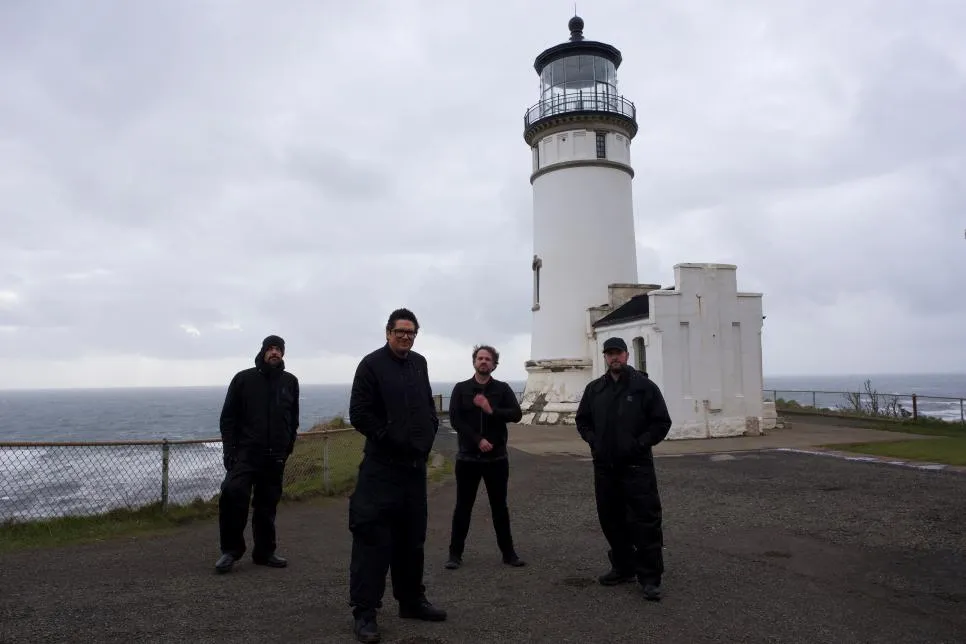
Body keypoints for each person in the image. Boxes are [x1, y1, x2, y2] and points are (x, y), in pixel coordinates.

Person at [347, 308, 447, 643]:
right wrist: (393, 440)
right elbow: (360, 414)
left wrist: (426, 437)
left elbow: (427, 410)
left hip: (413, 471)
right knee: (372, 541)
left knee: (411, 539)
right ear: (388, 332)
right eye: (400, 331)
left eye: (411, 332)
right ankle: (364, 613)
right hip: (381, 469)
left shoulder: (419, 363)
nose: (406, 336)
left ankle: (411, 601)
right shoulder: (371, 365)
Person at [574, 336, 672, 601]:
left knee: (645, 522)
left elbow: (661, 422)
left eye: (618, 353)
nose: (614, 358)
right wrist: (594, 442)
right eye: (609, 354)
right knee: (611, 520)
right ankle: (623, 567)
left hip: (636, 467)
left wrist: (640, 444)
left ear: (627, 355)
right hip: (605, 468)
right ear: (604, 357)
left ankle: (650, 578)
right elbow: (582, 421)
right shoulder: (595, 389)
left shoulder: (644, 387)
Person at [215, 334, 300, 574]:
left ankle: (265, 552)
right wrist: (229, 451)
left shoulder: (290, 382)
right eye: (271, 348)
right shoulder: (243, 379)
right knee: (233, 495)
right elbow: (228, 419)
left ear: (283, 353)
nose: (275, 352)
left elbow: (293, 419)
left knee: (267, 505)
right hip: (245, 454)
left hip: (275, 457)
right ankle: (230, 551)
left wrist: (288, 446)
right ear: (263, 351)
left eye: (279, 349)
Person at [444, 344, 525, 570]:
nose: (483, 362)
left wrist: (492, 410)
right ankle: (455, 554)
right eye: (480, 358)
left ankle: (509, 554)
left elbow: (517, 415)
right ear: (474, 362)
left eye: (488, 359)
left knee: (500, 507)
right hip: (468, 458)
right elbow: (456, 421)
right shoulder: (461, 389)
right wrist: (478, 440)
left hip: (496, 459)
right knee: (463, 507)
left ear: (494, 364)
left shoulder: (502, 389)